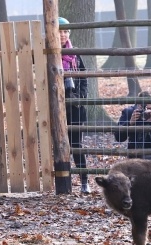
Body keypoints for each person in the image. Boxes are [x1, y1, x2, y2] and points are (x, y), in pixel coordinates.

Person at [59, 17, 90, 194]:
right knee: (60, 145)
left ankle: (84, 181)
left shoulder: (75, 54)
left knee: (76, 145)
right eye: (60, 31)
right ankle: (63, 182)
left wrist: (80, 96)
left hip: (76, 107)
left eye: (65, 31)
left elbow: (84, 78)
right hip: (57, 107)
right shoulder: (48, 53)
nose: (62, 35)